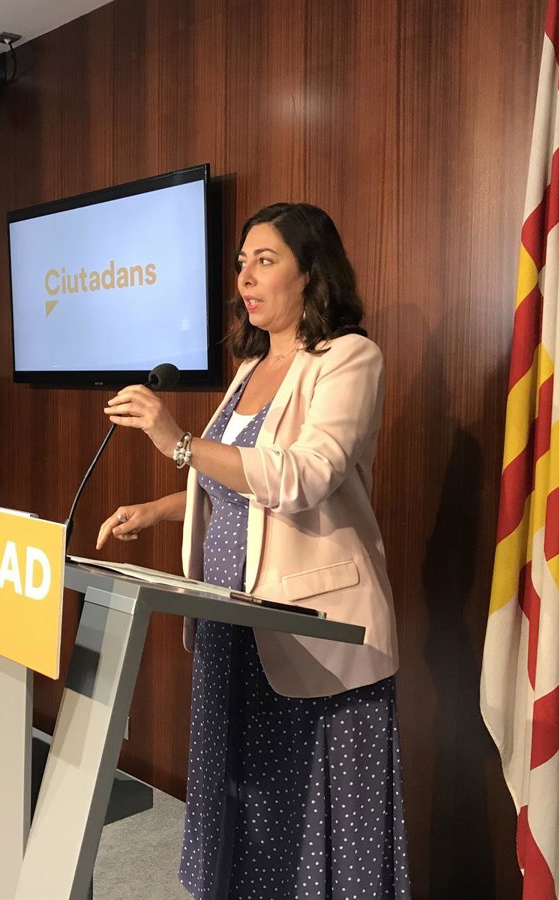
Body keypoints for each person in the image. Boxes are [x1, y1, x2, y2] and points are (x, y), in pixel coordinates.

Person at [95, 202, 411, 899]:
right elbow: (238, 490)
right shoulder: (250, 367)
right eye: (242, 263)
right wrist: (162, 509)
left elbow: (302, 478)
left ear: (311, 273)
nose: (245, 278)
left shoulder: (349, 358)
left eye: (265, 261)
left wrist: (178, 441)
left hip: (311, 626)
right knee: (247, 809)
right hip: (229, 620)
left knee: (313, 816)